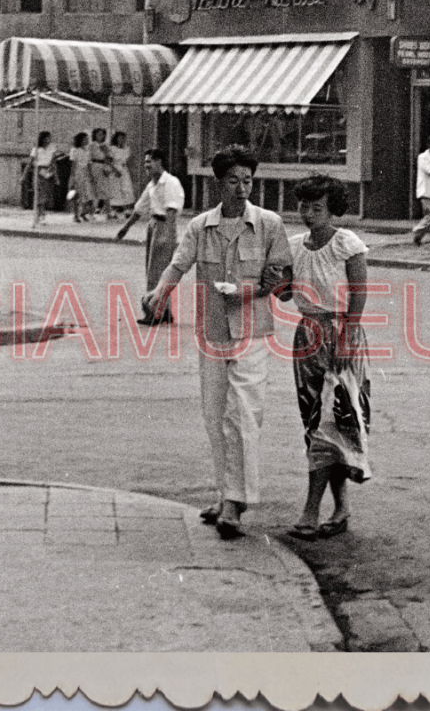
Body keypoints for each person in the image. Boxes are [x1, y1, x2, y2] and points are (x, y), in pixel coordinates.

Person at [144, 147, 291, 540]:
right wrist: (160, 292)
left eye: (248, 181)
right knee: (214, 415)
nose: (242, 189)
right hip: (212, 333)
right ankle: (226, 492)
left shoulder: (269, 224)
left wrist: (248, 291)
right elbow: (178, 264)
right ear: (218, 183)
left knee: (242, 415)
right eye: (234, 181)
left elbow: (282, 282)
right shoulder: (200, 226)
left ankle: (234, 505)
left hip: (252, 333)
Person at [285, 175, 371, 541]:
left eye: (316, 208)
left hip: (341, 334)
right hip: (307, 336)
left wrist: (349, 335)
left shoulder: (346, 243)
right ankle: (341, 506)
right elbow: (284, 295)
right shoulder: (293, 246)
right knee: (315, 423)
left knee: (335, 421)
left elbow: (359, 291)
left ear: (332, 209)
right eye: (303, 206)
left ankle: (310, 511)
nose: (307, 214)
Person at [117, 148, 185, 322]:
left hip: (164, 226)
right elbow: (140, 208)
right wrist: (126, 227)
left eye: (149, 161)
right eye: (145, 161)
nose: (146, 165)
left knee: (157, 273)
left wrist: (167, 235)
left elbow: (171, 209)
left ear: (159, 162)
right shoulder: (152, 184)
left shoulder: (170, 182)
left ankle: (155, 312)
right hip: (153, 225)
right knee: (154, 271)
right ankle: (165, 311)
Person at [26, 131, 60, 226]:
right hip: (39, 171)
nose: (48, 140)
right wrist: (24, 176)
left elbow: (53, 163)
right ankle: (41, 215)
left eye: (49, 138)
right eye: (46, 138)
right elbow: (30, 163)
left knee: (45, 195)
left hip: (48, 171)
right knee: (39, 194)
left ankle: (39, 214)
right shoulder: (36, 149)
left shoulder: (52, 148)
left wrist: (56, 177)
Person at [107, 131, 136, 217]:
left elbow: (128, 161)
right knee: (115, 189)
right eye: (119, 138)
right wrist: (115, 170)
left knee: (126, 188)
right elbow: (108, 161)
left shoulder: (126, 149)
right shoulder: (112, 149)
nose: (121, 140)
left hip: (124, 170)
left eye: (123, 138)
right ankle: (114, 211)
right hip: (115, 170)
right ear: (116, 138)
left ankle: (127, 209)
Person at [88, 127, 114, 219]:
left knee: (105, 189)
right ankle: (91, 212)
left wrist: (105, 151)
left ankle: (108, 212)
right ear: (94, 135)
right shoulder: (91, 145)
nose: (100, 136)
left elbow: (111, 157)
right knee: (95, 190)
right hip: (95, 166)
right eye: (98, 134)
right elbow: (89, 158)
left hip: (104, 166)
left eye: (102, 134)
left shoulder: (106, 145)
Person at [68, 131, 94, 222]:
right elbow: (73, 164)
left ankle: (83, 212)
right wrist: (72, 177)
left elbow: (89, 164)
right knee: (76, 194)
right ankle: (76, 215)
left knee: (87, 194)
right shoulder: (75, 150)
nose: (86, 141)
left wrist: (90, 175)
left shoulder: (87, 151)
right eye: (84, 139)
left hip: (85, 173)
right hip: (78, 173)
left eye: (87, 139)